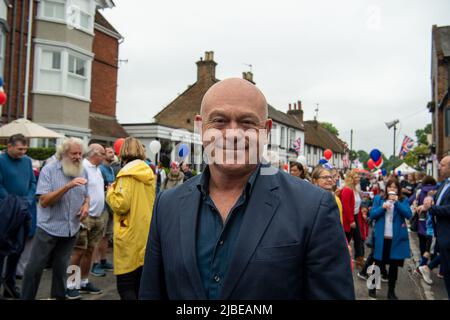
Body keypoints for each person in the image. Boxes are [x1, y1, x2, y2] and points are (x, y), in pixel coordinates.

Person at [139, 78, 354, 300]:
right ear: (200, 127)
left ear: (266, 130)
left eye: (247, 123)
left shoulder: (313, 208)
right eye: (220, 121)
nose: (233, 134)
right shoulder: (167, 206)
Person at [21, 138, 89, 300]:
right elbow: (44, 201)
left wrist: (86, 205)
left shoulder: (82, 170)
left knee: (61, 268)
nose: (78, 157)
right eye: (74, 153)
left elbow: (87, 195)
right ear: (63, 154)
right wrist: (67, 186)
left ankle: (59, 296)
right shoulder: (49, 170)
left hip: (71, 228)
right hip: (49, 228)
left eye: (80, 153)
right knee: (35, 268)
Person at [106, 137, 156, 300]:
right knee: (140, 284)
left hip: (129, 232)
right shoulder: (148, 172)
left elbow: (121, 205)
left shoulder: (126, 174)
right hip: (145, 230)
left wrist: (110, 191)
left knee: (125, 286)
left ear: (123, 151)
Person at [65, 144, 106, 299]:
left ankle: (83, 281)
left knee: (89, 250)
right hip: (84, 216)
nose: (105, 156)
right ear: (95, 154)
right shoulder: (83, 168)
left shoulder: (98, 169)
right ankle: (71, 284)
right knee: (78, 251)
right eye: (102, 153)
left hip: (97, 216)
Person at [0, 134, 36, 299]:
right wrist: (12, 202)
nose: (23, 152)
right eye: (20, 149)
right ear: (10, 146)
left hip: (23, 211)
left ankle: (10, 285)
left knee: (18, 249)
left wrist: (28, 199)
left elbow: (32, 183)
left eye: (25, 149)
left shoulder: (27, 161)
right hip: (5, 212)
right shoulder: (1, 161)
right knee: (2, 250)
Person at [369, 177, 412, 300]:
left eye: (394, 187)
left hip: (396, 239)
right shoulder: (379, 199)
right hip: (382, 238)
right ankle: (372, 288)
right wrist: (382, 208)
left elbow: (408, 214)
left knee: (394, 267)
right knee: (377, 263)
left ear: (398, 189)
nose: (392, 189)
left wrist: (397, 203)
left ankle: (391, 292)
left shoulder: (403, 200)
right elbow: (372, 215)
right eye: (390, 187)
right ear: (386, 188)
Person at [422, 155, 450, 299]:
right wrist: (428, 202)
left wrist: (432, 207)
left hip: (447, 235)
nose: (439, 167)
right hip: (441, 236)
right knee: (446, 272)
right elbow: (437, 200)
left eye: (443, 165)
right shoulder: (444, 183)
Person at [91, 146, 116, 277]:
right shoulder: (100, 169)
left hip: (111, 207)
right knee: (99, 236)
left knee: (107, 235)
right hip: (103, 208)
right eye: (110, 152)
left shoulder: (111, 169)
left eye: (113, 152)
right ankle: (95, 264)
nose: (113, 154)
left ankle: (103, 260)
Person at [340, 169, 365, 270]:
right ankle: (345, 259)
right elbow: (346, 207)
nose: (359, 178)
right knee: (347, 240)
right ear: (351, 178)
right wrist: (351, 221)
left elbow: (355, 205)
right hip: (349, 219)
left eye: (359, 176)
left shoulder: (354, 188)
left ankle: (359, 259)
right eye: (356, 177)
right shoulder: (347, 189)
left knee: (358, 239)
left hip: (355, 216)